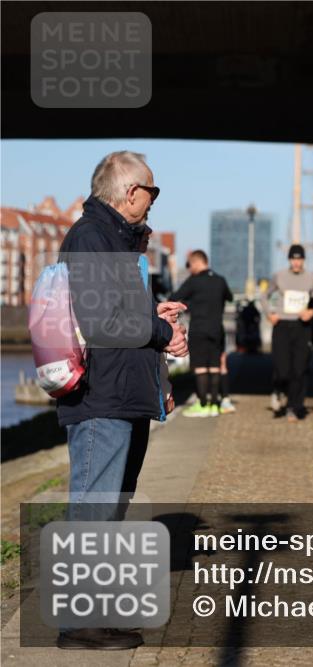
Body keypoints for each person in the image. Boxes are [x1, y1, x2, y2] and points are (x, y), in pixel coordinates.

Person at [55, 151, 188, 650]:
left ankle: (98, 615)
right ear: (131, 192)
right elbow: (100, 323)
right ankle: (79, 624)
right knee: (94, 508)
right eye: (152, 190)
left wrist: (155, 318)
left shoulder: (116, 240)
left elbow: (116, 313)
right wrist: (160, 331)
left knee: (110, 509)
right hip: (102, 398)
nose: (154, 200)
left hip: (124, 394)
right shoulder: (91, 237)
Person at [171, 250, 233, 418]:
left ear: (196, 262)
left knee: (200, 368)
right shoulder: (220, 280)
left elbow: (175, 297)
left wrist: (189, 305)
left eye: (190, 265)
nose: (189, 268)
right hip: (217, 330)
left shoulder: (194, 281)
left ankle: (203, 404)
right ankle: (214, 406)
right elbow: (229, 297)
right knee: (215, 366)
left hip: (199, 329)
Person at [265, 244, 313, 421]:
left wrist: (312, 312)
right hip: (281, 325)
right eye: (293, 259)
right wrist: (269, 313)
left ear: (303, 260)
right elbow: (264, 295)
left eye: (299, 259)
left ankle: (293, 407)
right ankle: (278, 389)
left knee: (299, 369)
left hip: (301, 326)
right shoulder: (279, 275)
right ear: (289, 260)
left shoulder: (311, 278)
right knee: (282, 368)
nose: (296, 262)